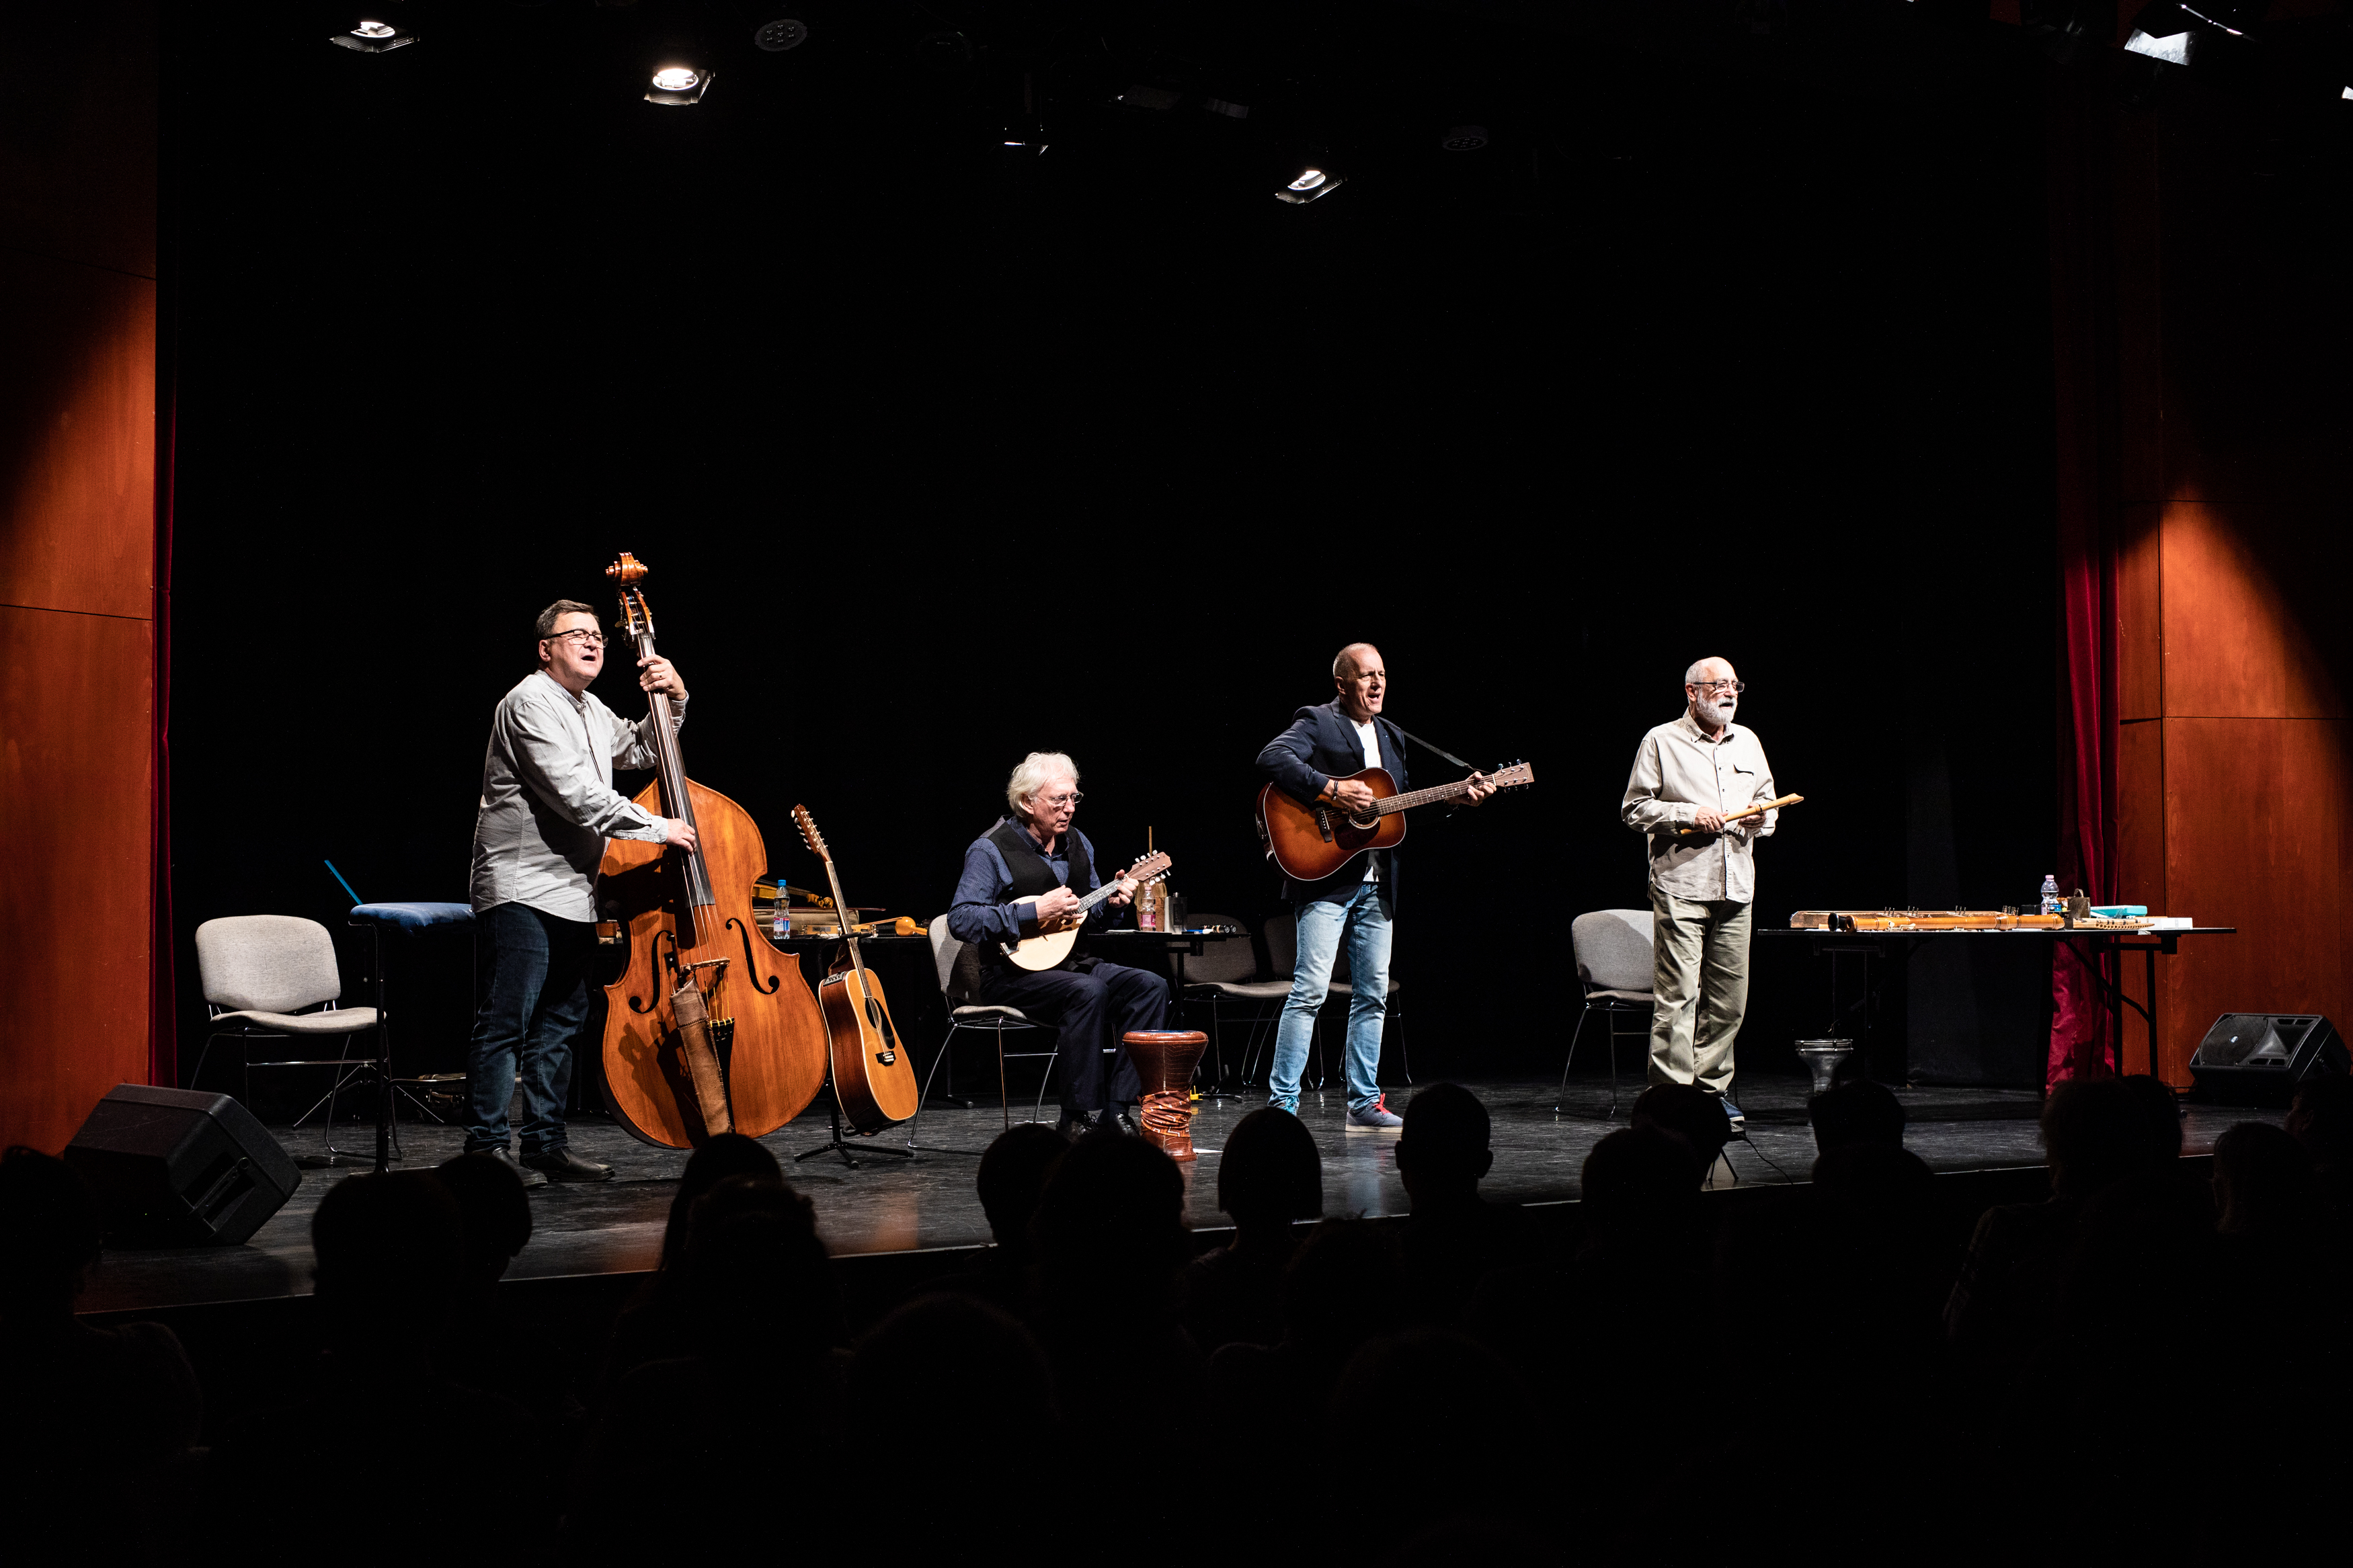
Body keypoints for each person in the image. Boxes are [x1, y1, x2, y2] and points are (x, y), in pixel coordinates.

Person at [465, 597, 696, 1185]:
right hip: (521, 886)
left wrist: (674, 699)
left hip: (574, 890)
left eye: (598, 635)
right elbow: (575, 794)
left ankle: (545, 1144)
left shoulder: (591, 708)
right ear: (546, 649)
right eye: (577, 634)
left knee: (561, 1023)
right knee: (508, 1021)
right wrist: (658, 828)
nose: (594, 642)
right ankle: (485, 1149)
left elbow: (642, 750)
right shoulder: (528, 703)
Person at [1256, 642, 1494, 1131]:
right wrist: (1332, 789)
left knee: (1373, 995)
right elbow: (1272, 757)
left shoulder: (1392, 735)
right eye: (1366, 675)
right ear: (1342, 684)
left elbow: (1394, 816)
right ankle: (1282, 1108)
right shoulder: (1319, 721)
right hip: (1326, 878)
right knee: (1310, 991)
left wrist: (1454, 800)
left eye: (1382, 674)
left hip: (1379, 882)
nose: (1377, 683)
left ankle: (1363, 1103)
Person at [947, 751, 1168, 1137]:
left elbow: (1087, 917)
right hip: (1010, 975)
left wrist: (1113, 906)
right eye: (1059, 800)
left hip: (1072, 965)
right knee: (1087, 991)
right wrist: (1033, 912)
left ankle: (1117, 1110)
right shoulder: (990, 850)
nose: (1070, 808)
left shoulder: (1078, 843)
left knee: (1150, 987)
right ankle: (1076, 1118)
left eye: (1074, 798)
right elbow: (961, 919)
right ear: (1027, 802)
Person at [1620, 655, 1778, 1130]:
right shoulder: (1661, 740)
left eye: (1735, 685)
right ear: (1692, 691)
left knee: (1729, 1001)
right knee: (1679, 997)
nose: (1729, 692)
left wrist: (1761, 817)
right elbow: (1635, 808)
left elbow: (1768, 803)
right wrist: (1687, 814)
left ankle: (1711, 1094)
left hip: (1737, 885)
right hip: (1682, 884)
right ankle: (1670, 1099)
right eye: (1718, 685)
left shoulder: (1748, 741)